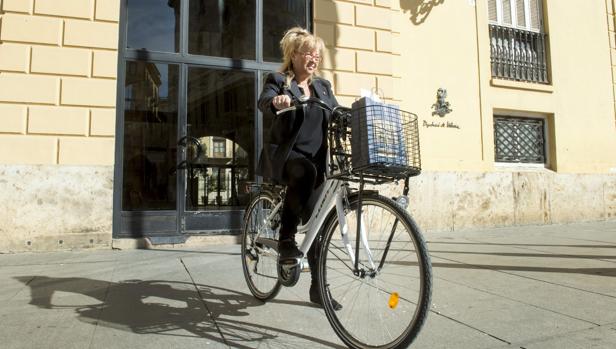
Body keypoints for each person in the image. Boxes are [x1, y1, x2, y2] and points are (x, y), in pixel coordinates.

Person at [256, 27, 341, 310]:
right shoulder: (279, 80)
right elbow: (264, 101)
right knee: (303, 171)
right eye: (308, 53)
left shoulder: (323, 87)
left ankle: (319, 290)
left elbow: (337, 113)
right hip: (288, 157)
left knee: (317, 227)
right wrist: (276, 101)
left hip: (318, 163)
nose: (313, 58)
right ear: (294, 55)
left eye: (317, 54)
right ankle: (286, 240)